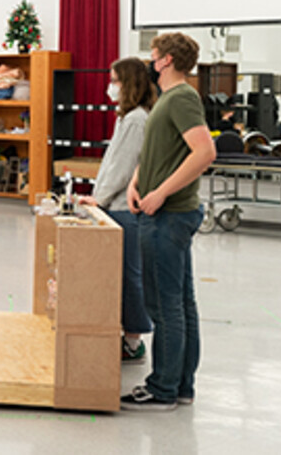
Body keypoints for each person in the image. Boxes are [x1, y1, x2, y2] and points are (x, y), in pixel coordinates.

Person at [121, 33, 216, 411]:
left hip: (169, 216)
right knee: (179, 303)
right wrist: (136, 181)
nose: (150, 60)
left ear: (168, 60)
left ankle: (163, 388)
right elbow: (160, 151)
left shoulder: (182, 98)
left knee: (164, 306)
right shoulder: (168, 100)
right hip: (160, 212)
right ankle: (180, 386)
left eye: (154, 55)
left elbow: (204, 151)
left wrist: (159, 193)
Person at [77, 57, 157, 365]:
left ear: (129, 83)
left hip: (124, 207)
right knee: (119, 275)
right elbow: (112, 161)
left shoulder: (137, 119)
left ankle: (134, 338)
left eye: (115, 80)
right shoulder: (126, 117)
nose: (110, 87)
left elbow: (123, 166)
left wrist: (100, 197)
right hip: (114, 204)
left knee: (129, 275)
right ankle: (124, 332)